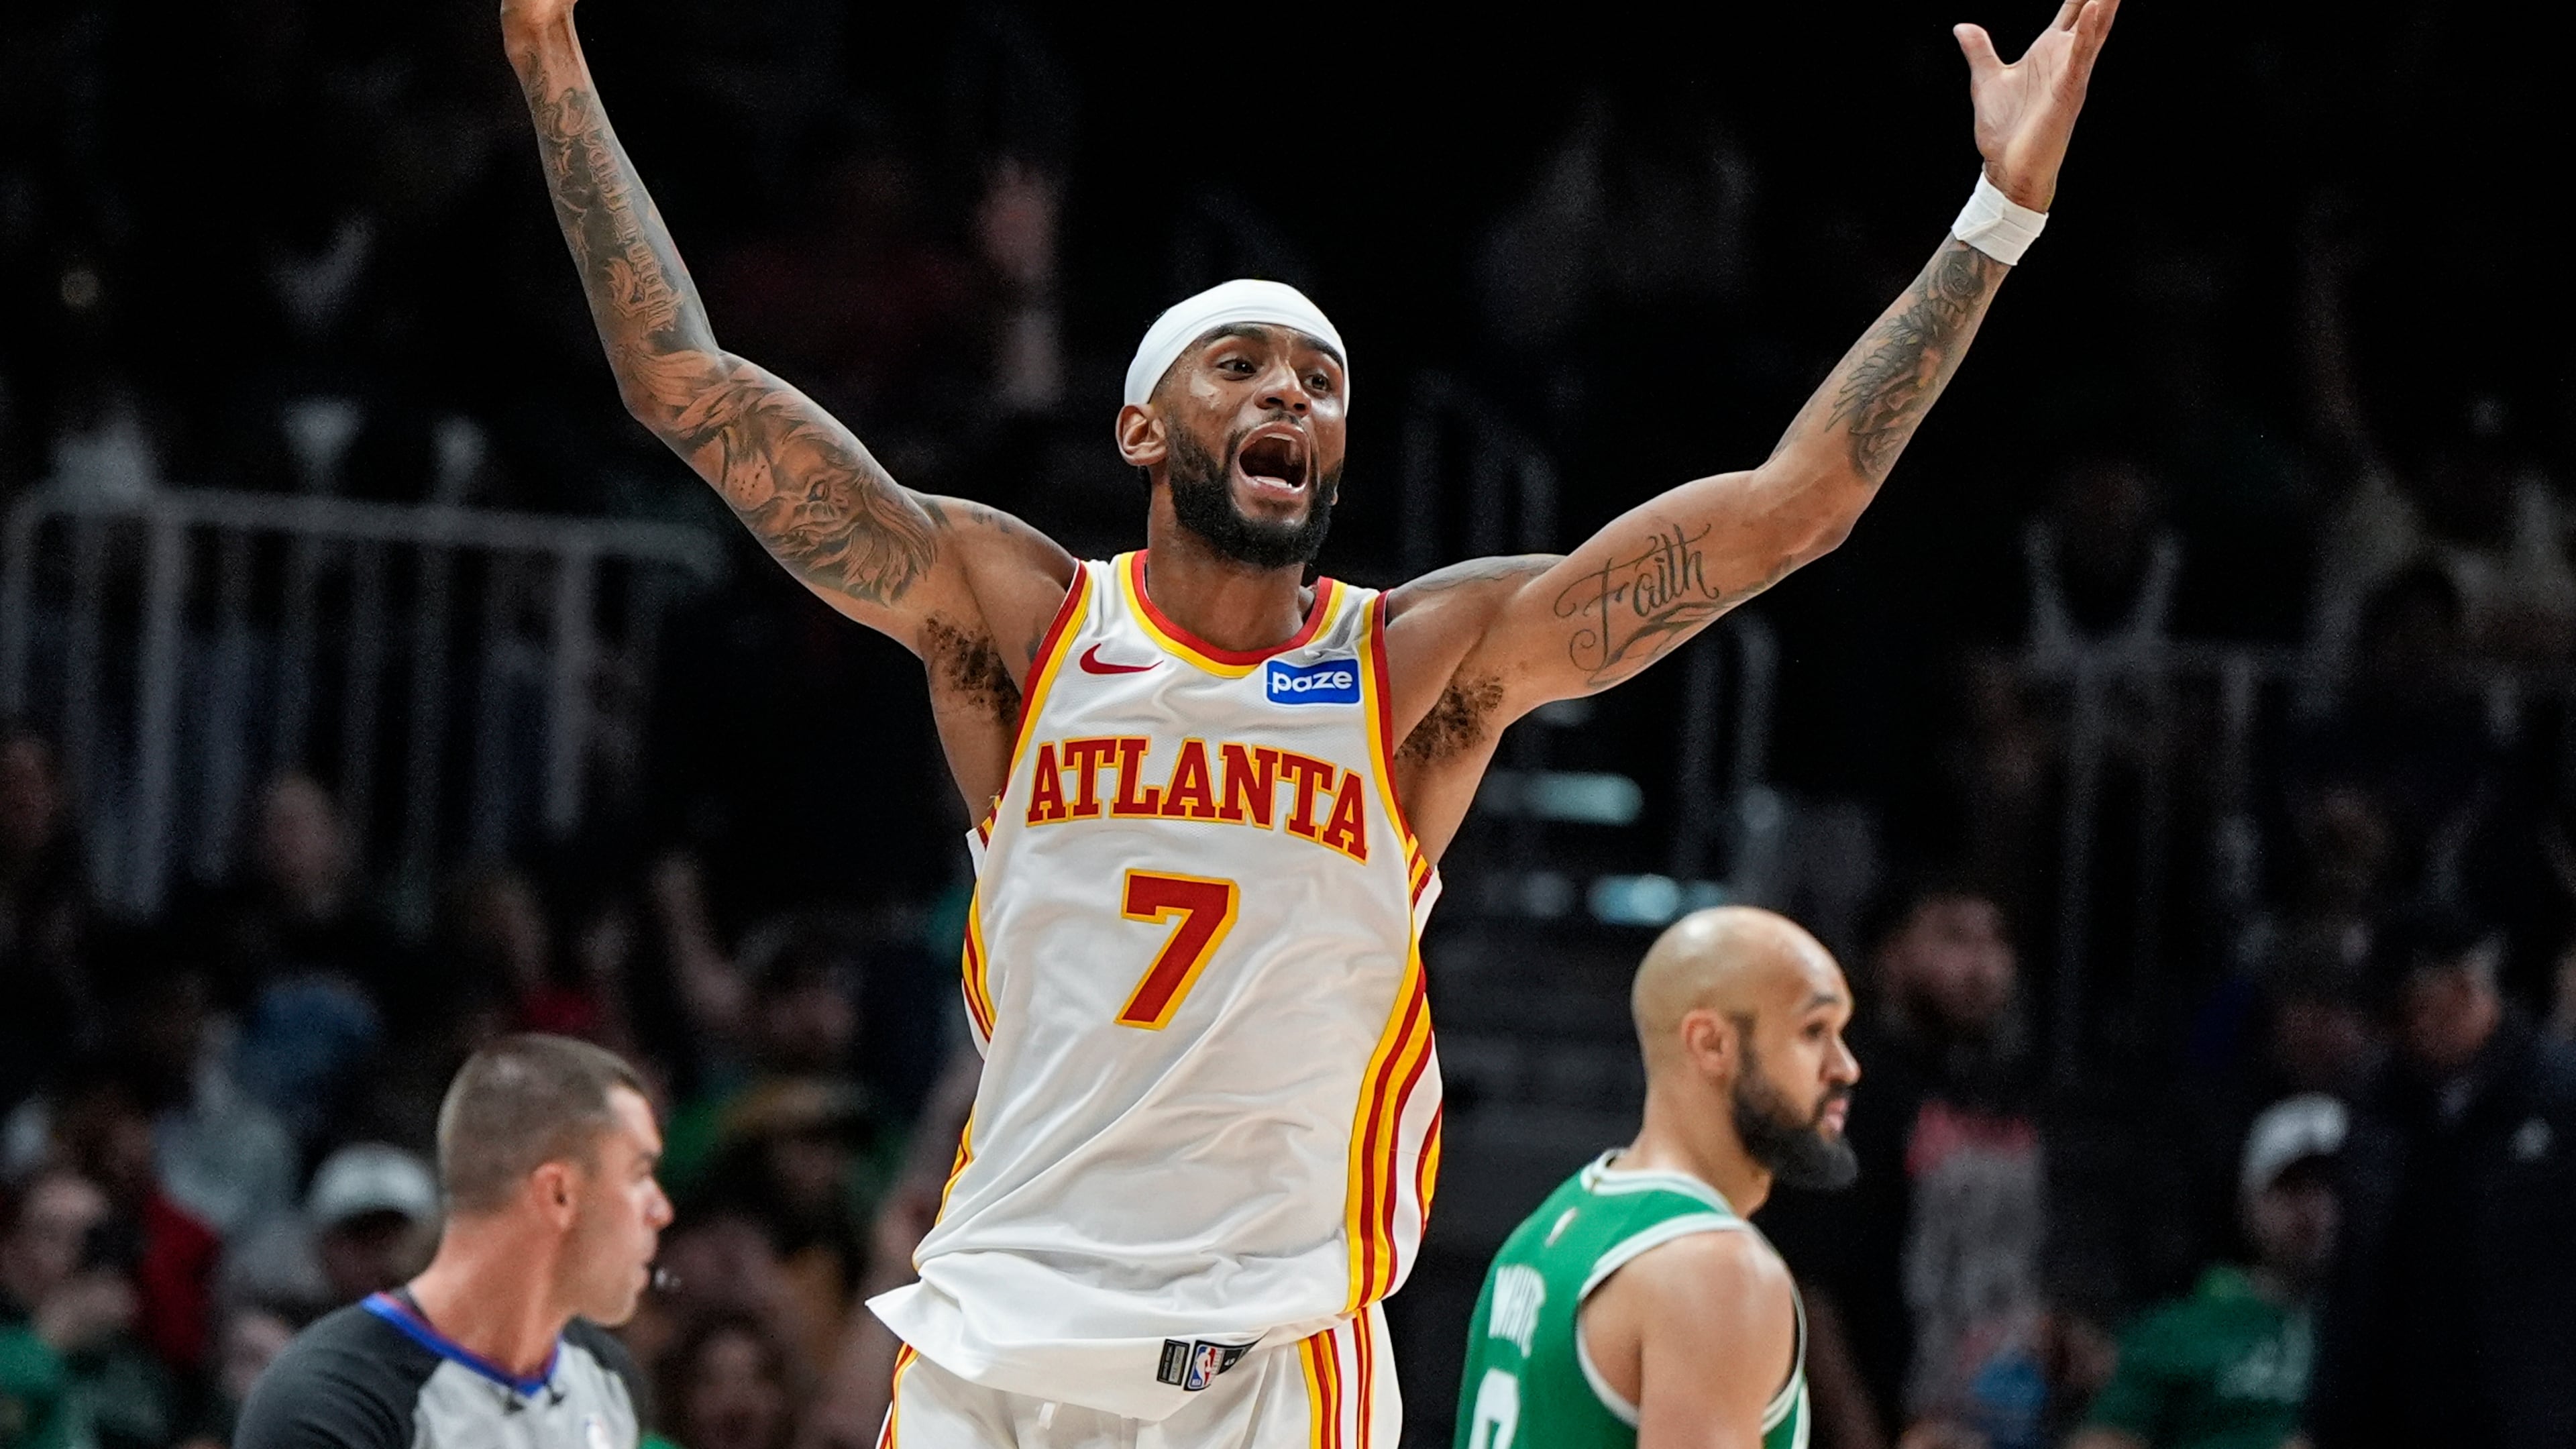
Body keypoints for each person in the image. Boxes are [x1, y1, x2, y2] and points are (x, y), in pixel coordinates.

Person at [499, 0, 2120, 1436]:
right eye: (1241, 366)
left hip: (1264, 1356)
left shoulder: (1420, 668)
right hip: (999, 1328)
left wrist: (1994, 216)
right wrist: (552, 54)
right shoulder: (1022, 621)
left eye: (1319, 380)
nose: (1288, 394)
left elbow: (1787, 511)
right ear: (1143, 420)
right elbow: (688, 389)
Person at [1453, 908, 1858, 1449]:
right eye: (1814, 1030)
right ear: (1712, 1044)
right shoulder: (1718, 1267)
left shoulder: (1549, 1228)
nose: (1845, 1066)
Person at [232, 1034, 674, 1449]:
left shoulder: (609, 1376)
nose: (661, 1209)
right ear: (558, 1194)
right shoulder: (332, 1402)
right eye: (638, 1175)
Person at [1761, 882, 2053, 1449]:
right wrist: (1857, 1432)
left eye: (1997, 941)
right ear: (1891, 956)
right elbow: (1806, 1280)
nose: (1983, 965)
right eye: (1953, 938)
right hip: (1885, 1417)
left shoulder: (2010, 1087)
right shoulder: (1844, 1088)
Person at [2305, 907, 2576, 1449]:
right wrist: (2327, 1415)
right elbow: (2356, 1270)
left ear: (2459, 988)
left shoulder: (2561, 1097)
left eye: (2402, 1012)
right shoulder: (2380, 1102)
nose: (2389, 1034)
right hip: (2398, 1409)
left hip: (2530, 1414)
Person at [2070, 1094, 2343, 1449]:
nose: (2312, 1208)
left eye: (2330, 1186)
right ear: (2249, 1203)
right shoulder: (2180, 1328)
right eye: (2291, 1186)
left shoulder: (2386, 1337)